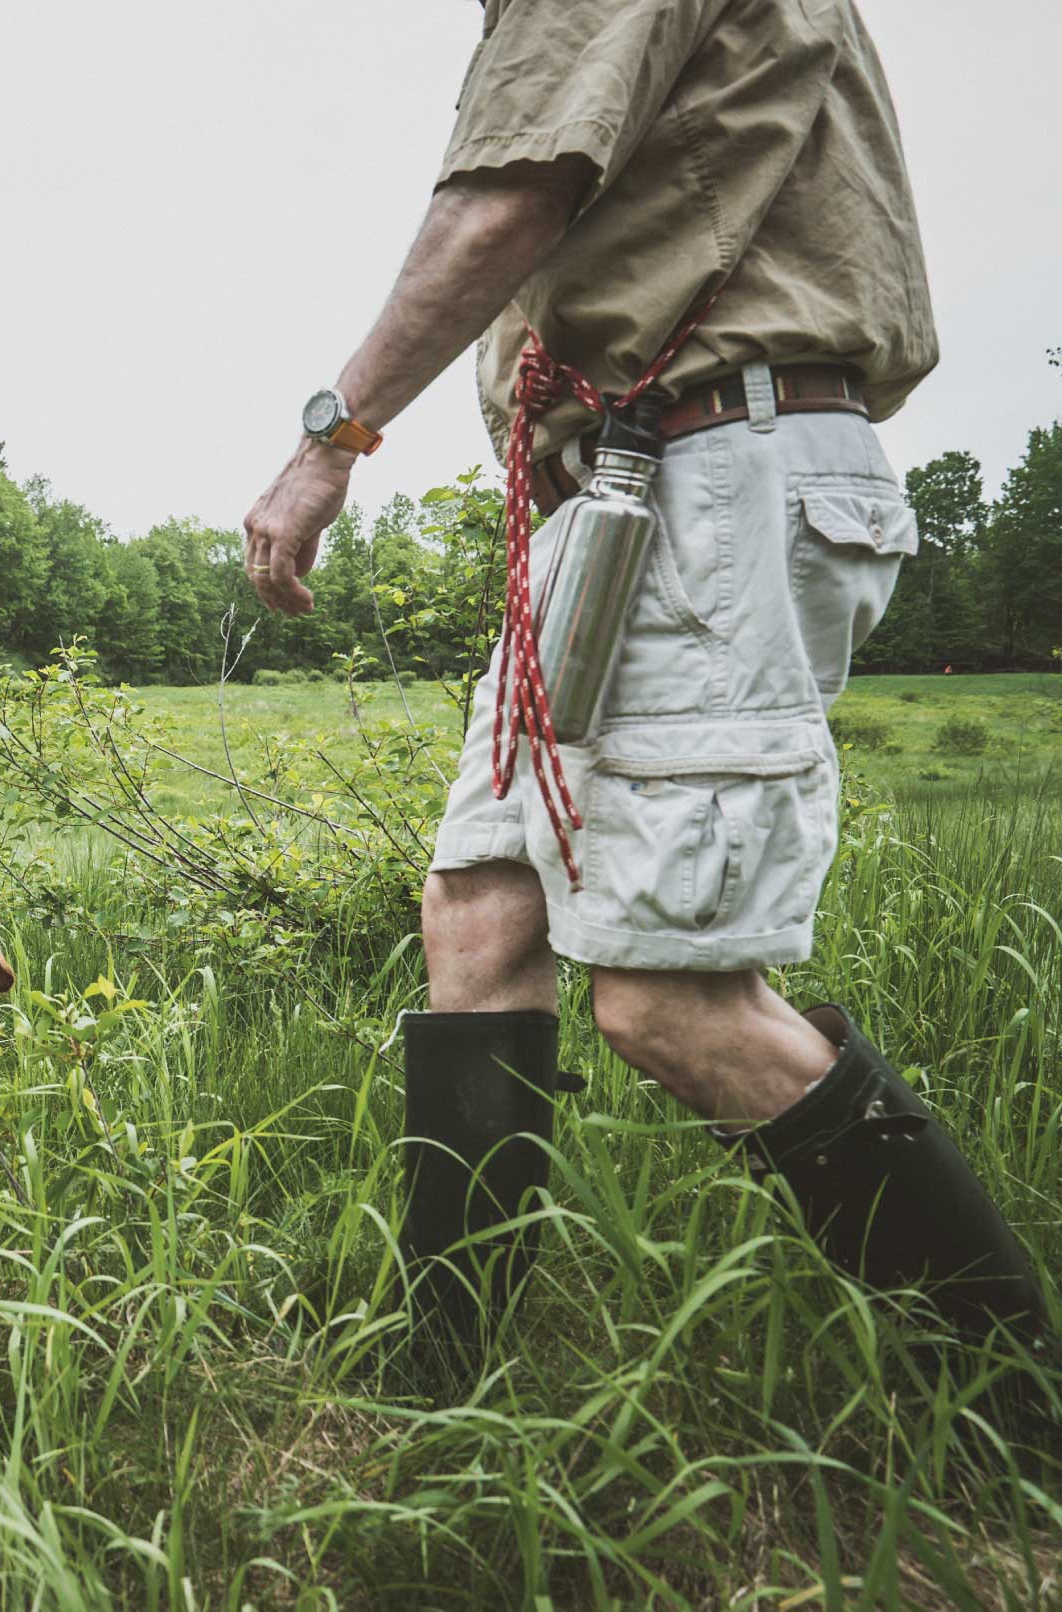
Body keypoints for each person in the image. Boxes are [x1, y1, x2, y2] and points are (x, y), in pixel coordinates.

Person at [242, 0, 1044, 1345]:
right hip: (627, 485)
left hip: (708, 472)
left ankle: (1017, 1393)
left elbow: (510, 198)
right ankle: (454, 1380)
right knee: (480, 921)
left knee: (672, 1000)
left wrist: (334, 438)